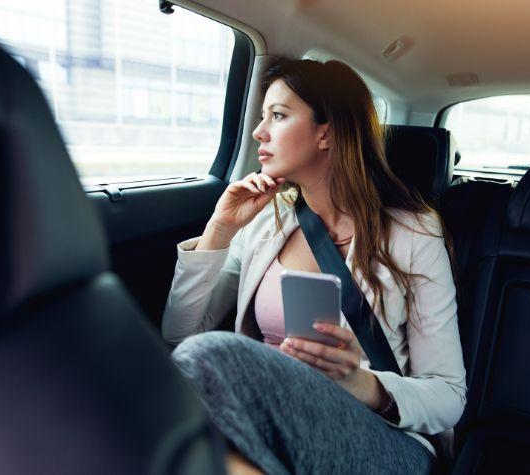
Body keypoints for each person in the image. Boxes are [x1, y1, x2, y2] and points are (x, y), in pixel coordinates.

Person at [162, 57, 466, 475]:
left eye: (279, 115)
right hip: (266, 417)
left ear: (327, 132)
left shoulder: (415, 233)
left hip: (381, 435)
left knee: (212, 355)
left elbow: (448, 395)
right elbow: (179, 334)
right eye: (263, 115)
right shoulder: (266, 219)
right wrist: (219, 230)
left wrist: (363, 385)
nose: (258, 131)